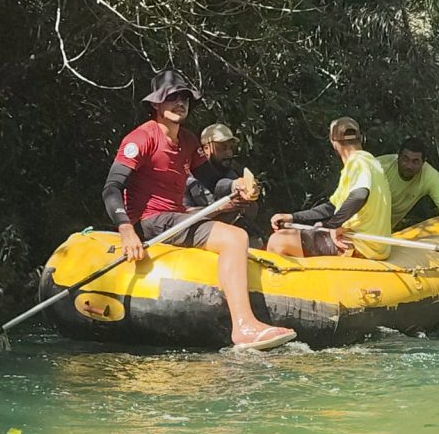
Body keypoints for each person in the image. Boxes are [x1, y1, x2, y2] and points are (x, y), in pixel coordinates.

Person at [101, 70, 296, 350]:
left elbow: (214, 181)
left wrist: (237, 186)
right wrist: (126, 229)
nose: (180, 103)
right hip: (150, 220)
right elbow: (111, 187)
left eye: (184, 98)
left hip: (175, 217)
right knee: (235, 238)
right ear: (156, 104)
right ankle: (243, 327)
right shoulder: (141, 139)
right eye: (171, 97)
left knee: (229, 219)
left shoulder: (189, 141)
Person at [267, 117, 392, 259]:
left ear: (333, 142)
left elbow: (359, 195)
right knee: (298, 233)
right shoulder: (371, 163)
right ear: (361, 138)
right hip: (372, 246)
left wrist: (333, 225)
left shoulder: (358, 161)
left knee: (278, 241)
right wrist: (292, 217)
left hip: (362, 246)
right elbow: (331, 207)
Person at [184, 123, 265, 247]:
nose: (228, 153)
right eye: (222, 148)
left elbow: (251, 214)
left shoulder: (232, 175)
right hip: (199, 240)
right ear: (206, 148)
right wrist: (220, 208)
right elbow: (182, 218)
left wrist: (250, 199)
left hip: (234, 235)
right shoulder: (189, 178)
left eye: (231, 148)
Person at [377, 137, 439, 233]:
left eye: (415, 161)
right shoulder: (380, 166)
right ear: (398, 157)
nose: (409, 166)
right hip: (365, 223)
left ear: (423, 162)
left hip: (383, 231)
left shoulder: (430, 177)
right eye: (405, 159)